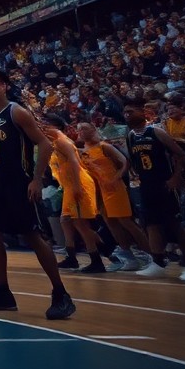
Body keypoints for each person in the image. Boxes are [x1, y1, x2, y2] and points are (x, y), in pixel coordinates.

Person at [0, 68, 75, 319]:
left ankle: (61, 293)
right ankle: (3, 292)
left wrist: (37, 179)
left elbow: (44, 143)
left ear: (4, 85)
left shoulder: (16, 111)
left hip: (20, 183)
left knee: (32, 235)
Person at [123, 102, 185, 281]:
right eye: (125, 112)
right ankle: (158, 262)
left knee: (173, 223)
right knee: (151, 224)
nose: (127, 114)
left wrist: (176, 177)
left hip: (165, 183)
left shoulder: (156, 131)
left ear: (142, 112)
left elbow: (180, 155)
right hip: (146, 185)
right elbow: (132, 160)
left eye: (131, 111)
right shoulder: (131, 136)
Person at [75, 121, 150, 269]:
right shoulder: (82, 151)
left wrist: (116, 178)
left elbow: (125, 162)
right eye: (79, 130)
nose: (81, 132)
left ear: (93, 129)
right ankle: (129, 257)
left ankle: (152, 255)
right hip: (99, 191)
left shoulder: (104, 146)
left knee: (126, 222)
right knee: (111, 224)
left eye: (84, 128)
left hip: (114, 188)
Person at [40, 115, 105, 273]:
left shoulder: (63, 141)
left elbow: (75, 163)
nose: (43, 129)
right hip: (69, 185)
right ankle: (71, 257)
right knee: (65, 220)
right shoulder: (55, 143)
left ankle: (98, 259)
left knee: (81, 224)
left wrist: (76, 186)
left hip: (78, 183)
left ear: (56, 127)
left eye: (46, 126)